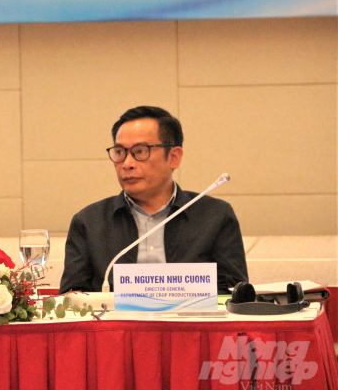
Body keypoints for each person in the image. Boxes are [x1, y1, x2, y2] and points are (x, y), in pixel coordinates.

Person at [59, 106, 248, 295]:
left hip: (192, 323)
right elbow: (71, 296)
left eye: (140, 151)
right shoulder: (89, 221)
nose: (127, 164)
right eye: (119, 152)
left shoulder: (215, 216)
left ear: (173, 157)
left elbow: (236, 294)